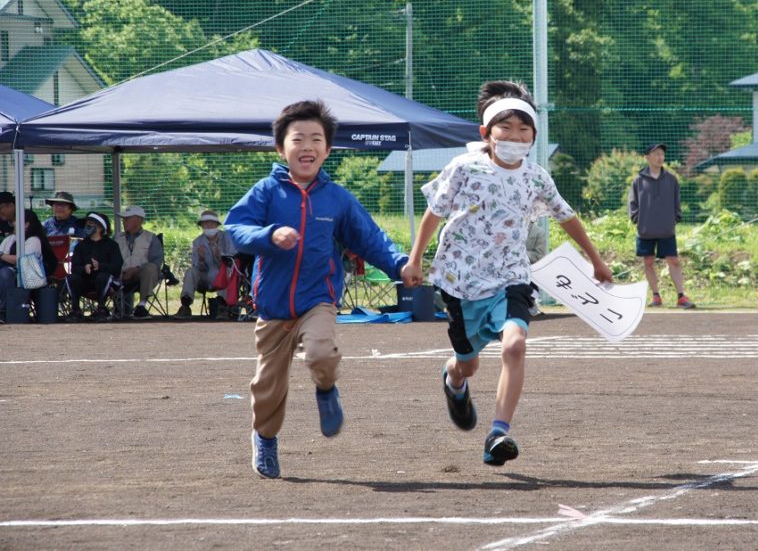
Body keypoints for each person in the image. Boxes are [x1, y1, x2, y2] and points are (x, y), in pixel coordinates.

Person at [407, 80, 613, 467]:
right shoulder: (464, 168)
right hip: (461, 280)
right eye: (506, 128)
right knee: (467, 363)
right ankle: (454, 380)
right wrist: (415, 259)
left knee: (515, 345)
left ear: (534, 136)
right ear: (486, 132)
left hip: (511, 276)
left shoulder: (536, 177)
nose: (515, 136)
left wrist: (596, 261)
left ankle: (498, 433)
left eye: (523, 129)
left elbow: (567, 216)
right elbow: (434, 213)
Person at [225, 99, 422, 480]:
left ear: (327, 150)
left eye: (316, 139)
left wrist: (400, 265)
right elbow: (236, 228)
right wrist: (269, 235)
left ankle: (326, 388)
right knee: (267, 387)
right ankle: (265, 438)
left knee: (320, 353)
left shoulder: (337, 198)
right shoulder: (266, 191)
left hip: (319, 300)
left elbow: (370, 238)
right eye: (298, 139)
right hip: (274, 308)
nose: (307, 146)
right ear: (280, 148)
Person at [628, 142, 696, 309]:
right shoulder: (638, 180)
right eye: (656, 154)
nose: (660, 157)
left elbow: (676, 202)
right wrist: (638, 219)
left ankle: (681, 296)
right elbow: (632, 203)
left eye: (662, 154)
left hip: (666, 229)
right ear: (647, 157)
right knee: (648, 261)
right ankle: (656, 296)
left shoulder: (671, 179)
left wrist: (675, 218)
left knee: (674, 260)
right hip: (646, 230)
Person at [175, 210, 237, 319]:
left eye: (211, 223)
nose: (208, 226)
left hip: (223, 275)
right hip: (205, 277)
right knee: (190, 272)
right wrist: (201, 259)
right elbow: (196, 266)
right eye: (205, 224)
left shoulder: (227, 238)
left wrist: (220, 256)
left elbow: (233, 260)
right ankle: (185, 305)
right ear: (202, 226)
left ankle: (223, 306)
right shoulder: (197, 242)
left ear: (217, 225)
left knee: (225, 271)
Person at [0, 209, 58, 321]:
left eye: (16, 221)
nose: (13, 223)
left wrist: (2, 255)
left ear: (26, 224)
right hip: (8, 272)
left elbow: (20, 260)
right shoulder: (10, 239)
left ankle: (3, 312)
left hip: (27, 277)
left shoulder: (34, 240)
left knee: (5, 274)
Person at [67, 212, 124, 321]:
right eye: (86, 224)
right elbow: (74, 267)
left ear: (100, 228)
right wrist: (84, 268)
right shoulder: (81, 246)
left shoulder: (112, 245)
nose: (87, 226)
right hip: (86, 281)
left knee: (103, 277)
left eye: (91, 224)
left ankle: (101, 309)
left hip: (106, 282)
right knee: (72, 278)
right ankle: (75, 310)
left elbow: (117, 267)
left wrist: (100, 266)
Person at [114, 206, 163, 319]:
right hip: (120, 275)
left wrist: (136, 270)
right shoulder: (117, 238)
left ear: (139, 220)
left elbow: (156, 262)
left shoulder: (151, 238)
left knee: (151, 268)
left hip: (142, 275)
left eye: (127, 218)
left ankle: (142, 305)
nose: (124, 221)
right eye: (123, 219)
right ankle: (109, 308)